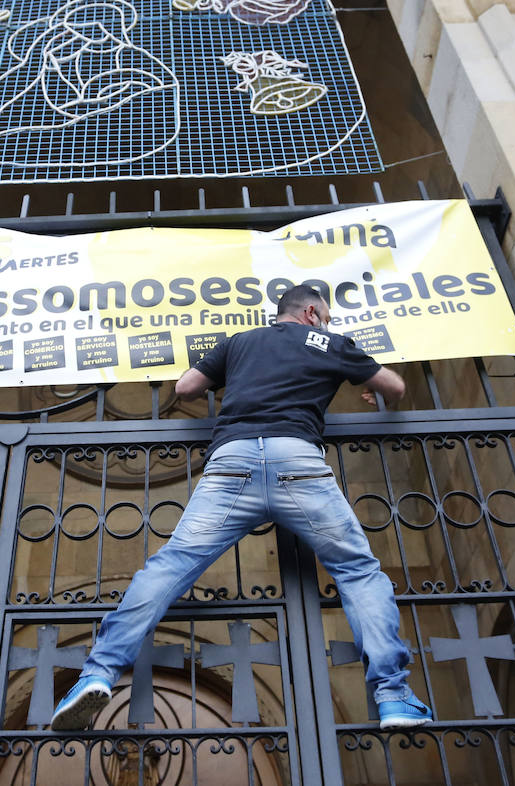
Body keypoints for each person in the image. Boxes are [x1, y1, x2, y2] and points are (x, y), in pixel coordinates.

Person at [51, 285, 433, 730]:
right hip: (299, 464)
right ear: (311, 311)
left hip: (231, 464)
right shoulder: (329, 343)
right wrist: (365, 383)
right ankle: (392, 695)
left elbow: (187, 387)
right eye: (324, 315)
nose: (325, 322)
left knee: (169, 566)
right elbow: (396, 387)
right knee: (357, 571)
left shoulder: (240, 341)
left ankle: (96, 673)